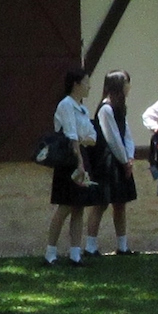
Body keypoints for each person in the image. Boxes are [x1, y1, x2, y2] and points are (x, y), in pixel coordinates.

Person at [44, 68, 98, 265]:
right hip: (69, 159)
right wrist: (79, 163)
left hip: (81, 154)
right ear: (76, 84)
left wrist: (83, 146)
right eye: (86, 82)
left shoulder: (82, 109)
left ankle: (75, 254)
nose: (89, 86)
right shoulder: (66, 105)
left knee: (79, 207)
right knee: (65, 206)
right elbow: (71, 135)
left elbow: (93, 136)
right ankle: (50, 253)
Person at [85, 70, 138, 255]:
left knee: (120, 202)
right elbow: (112, 138)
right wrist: (124, 161)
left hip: (121, 159)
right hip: (107, 161)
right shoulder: (106, 109)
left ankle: (122, 246)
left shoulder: (120, 107)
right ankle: (90, 246)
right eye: (126, 83)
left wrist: (130, 156)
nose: (129, 87)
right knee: (101, 203)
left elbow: (126, 134)